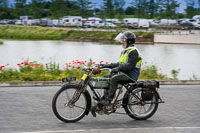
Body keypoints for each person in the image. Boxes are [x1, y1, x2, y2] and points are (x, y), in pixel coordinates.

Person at [100, 31, 143, 106]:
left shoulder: (133, 51)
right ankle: (105, 97)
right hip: (125, 73)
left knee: (114, 78)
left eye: (123, 40)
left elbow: (130, 66)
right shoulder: (125, 51)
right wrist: (106, 66)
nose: (122, 42)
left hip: (131, 75)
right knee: (107, 77)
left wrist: (118, 68)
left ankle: (109, 101)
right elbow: (119, 63)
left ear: (129, 41)